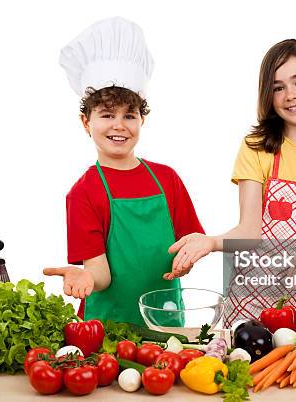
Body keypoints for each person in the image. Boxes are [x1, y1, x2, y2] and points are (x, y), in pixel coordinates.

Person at [165, 39, 296, 331]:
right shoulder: (257, 147)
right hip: (250, 302)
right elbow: (250, 232)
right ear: (268, 94)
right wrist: (211, 242)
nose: (291, 95)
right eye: (278, 87)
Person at [43, 17, 204, 326]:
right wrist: (85, 277)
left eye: (129, 115)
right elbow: (100, 274)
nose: (119, 125)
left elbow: (190, 243)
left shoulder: (167, 179)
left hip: (165, 320)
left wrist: (188, 260)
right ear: (86, 123)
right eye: (106, 115)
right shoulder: (84, 193)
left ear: (141, 121)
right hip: (107, 328)